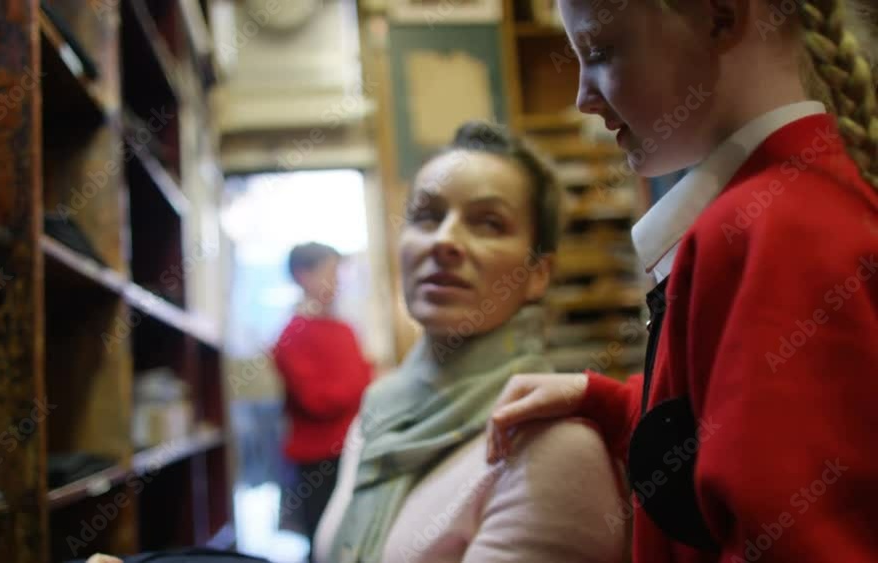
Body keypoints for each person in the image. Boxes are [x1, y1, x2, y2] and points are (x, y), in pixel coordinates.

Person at [487, 1, 878, 562]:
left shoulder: (766, 230)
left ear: (719, 17)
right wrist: (611, 403)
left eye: (600, 52)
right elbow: (747, 435)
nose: (581, 98)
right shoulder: (811, 190)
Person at [313, 122, 627, 563]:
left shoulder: (554, 447)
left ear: (538, 274)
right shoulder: (381, 414)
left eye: (489, 223)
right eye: (427, 216)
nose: (444, 240)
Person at [272, 242, 374, 556]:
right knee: (324, 544)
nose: (338, 281)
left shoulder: (345, 329)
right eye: (330, 273)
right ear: (303, 276)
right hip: (318, 459)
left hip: (358, 448)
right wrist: (363, 382)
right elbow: (318, 401)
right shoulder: (291, 335)